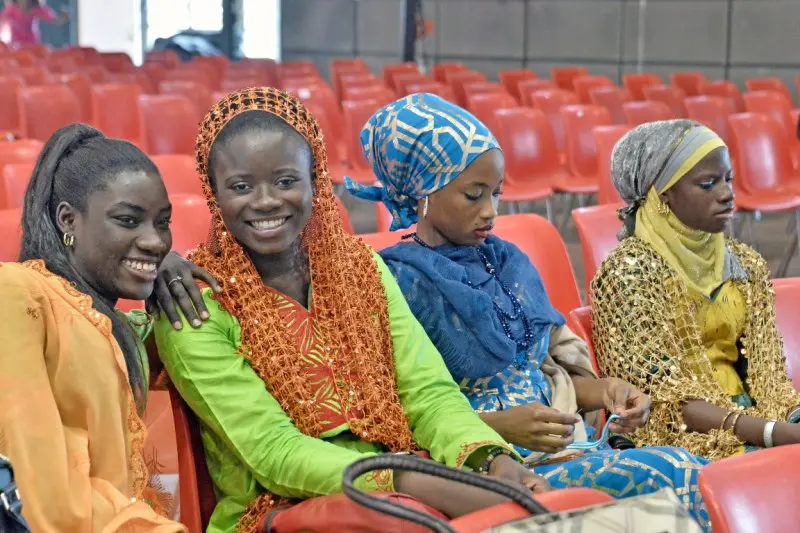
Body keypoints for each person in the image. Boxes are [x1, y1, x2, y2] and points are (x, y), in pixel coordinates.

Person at [153, 88, 549, 533]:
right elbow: (273, 452)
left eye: (285, 181)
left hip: (411, 479)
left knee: (549, 503)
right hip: (276, 508)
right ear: (214, 194)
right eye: (241, 187)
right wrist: (410, 482)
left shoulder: (361, 269)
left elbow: (429, 393)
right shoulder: (194, 304)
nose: (265, 201)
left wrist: (490, 456)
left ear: (315, 181)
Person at [345, 94, 709, 528]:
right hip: (490, 469)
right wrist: (500, 428)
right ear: (423, 193)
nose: (491, 212)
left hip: (568, 447)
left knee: (691, 470)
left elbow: (542, 371)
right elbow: (400, 415)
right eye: (473, 195)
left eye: (496, 193)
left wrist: (612, 391)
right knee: (678, 473)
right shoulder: (399, 283)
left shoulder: (506, 262)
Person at [0, 123, 186, 532]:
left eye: (162, 223)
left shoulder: (120, 328)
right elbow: (39, 496)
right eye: (128, 220)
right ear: (68, 220)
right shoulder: (18, 294)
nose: (155, 241)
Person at [591, 119, 800, 460]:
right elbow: (664, 398)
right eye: (707, 184)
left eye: (728, 179)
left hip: (756, 414)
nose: (726, 193)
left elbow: (769, 371)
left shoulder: (743, 263)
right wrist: (770, 433)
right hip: (681, 435)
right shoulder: (630, 272)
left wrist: (789, 419)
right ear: (663, 194)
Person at [0, 0, 67, 48]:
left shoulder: (37, 8)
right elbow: (2, 21)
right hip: (16, 44)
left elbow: (56, 20)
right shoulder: (11, 9)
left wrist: (63, 16)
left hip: (32, 43)